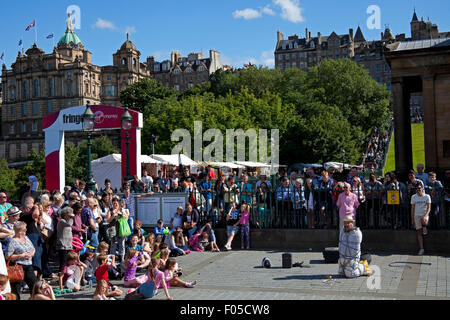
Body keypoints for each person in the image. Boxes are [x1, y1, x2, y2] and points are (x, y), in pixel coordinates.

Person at [6, 221, 38, 300]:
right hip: (18, 267)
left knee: (34, 286)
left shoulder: (26, 237)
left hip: (29, 266)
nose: (26, 230)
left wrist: (31, 254)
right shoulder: (12, 241)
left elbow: (33, 248)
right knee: (16, 290)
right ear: (20, 231)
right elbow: (8, 256)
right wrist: (21, 255)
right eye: (25, 229)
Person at [410, 182, 431, 256]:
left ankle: (425, 227)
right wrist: (412, 219)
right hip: (416, 215)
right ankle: (421, 249)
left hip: (424, 215)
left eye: (419, 188)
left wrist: (425, 216)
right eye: (416, 189)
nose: (418, 190)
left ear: (422, 188)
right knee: (419, 233)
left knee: (423, 221)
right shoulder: (413, 197)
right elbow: (412, 208)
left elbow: (429, 208)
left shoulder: (427, 196)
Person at [56, 207, 75, 272]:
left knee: (67, 260)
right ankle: (61, 274)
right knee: (63, 261)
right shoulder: (61, 221)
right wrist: (72, 218)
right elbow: (69, 224)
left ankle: (66, 273)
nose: (70, 217)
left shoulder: (66, 221)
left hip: (68, 245)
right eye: (69, 216)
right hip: (62, 245)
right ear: (65, 215)